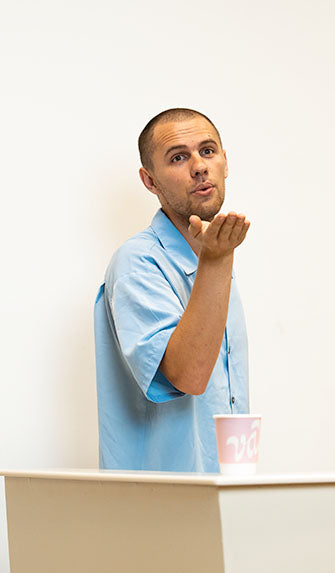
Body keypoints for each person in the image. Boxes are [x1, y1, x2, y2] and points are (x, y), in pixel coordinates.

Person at [94, 108, 251, 472]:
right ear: (150, 181)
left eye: (208, 151)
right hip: (161, 508)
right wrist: (217, 261)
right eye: (178, 157)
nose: (199, 166)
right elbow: (190, 376)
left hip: (221, 499)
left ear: (226, 162)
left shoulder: (211, 262)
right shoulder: (139, 263)